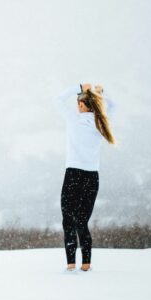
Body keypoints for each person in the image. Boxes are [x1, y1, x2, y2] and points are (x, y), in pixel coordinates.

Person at [53, 82, 117, 272]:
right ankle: (86, 264)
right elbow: (115, 106)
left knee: (68, 220)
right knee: (82, 221)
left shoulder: (74, 119)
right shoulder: (100, 121)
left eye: (77, 102)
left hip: (73, 174)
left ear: (81, 105)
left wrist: (79, 87)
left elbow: (56, 99)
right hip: (91, 177)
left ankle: (71, 263)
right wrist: (101, 93)